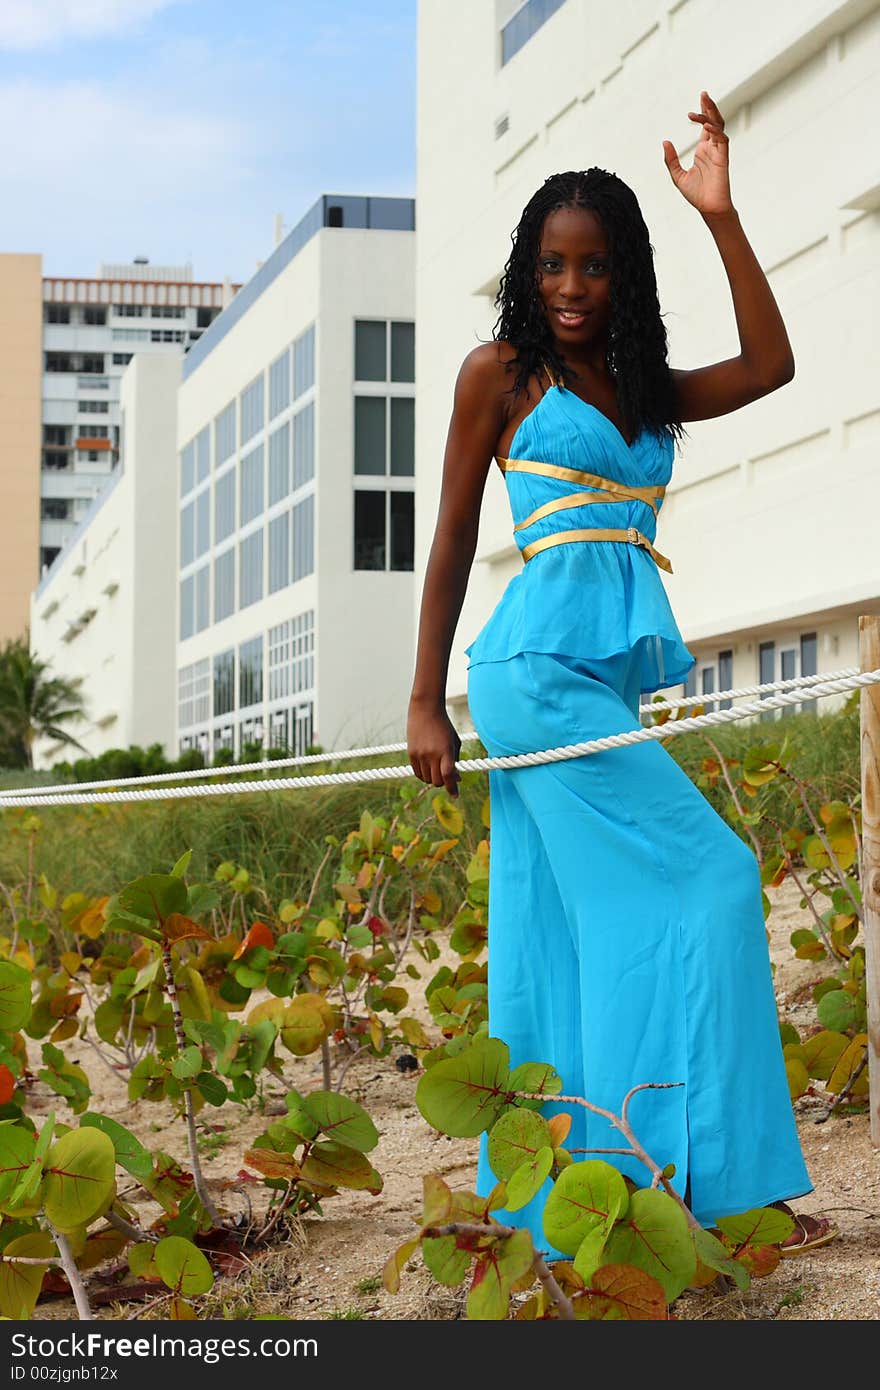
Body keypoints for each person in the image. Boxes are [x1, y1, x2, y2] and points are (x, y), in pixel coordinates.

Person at [407, 92, 836, 1259]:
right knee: (713, 875)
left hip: (590, 682)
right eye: (551, 264)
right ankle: (719, 1183)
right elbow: (447, 540)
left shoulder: (645, 389)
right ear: (526, 269)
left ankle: (607, 1193)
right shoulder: (498, 375)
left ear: (624, 275)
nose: (571, 287)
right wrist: (421, 697)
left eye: (594, 267)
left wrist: (722, 213)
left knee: (562, 931)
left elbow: (772, 363)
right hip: (527, 671)